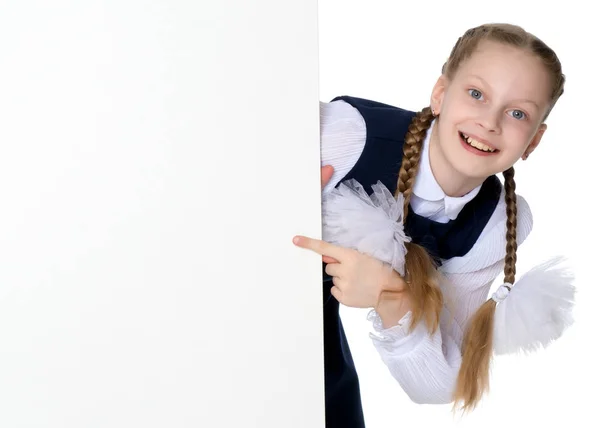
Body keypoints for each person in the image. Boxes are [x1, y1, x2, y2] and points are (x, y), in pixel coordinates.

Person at [293, 23, 575, 428]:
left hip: (309, 360)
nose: (490, 122)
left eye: (517, 113)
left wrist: (391, 296)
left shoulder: (494, 222)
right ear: (440, 94)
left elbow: (437, 384)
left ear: (533, 141)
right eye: (476, 94)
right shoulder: (349, 134)